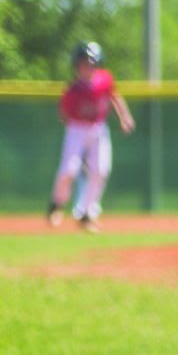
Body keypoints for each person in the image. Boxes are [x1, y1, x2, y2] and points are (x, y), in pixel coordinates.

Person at [47, 41, 135, 233]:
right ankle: (57, 204)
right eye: (83, 63)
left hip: (98, 128)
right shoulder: (72, 89)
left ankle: (86, 214)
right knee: (69, 169)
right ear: (76, 66)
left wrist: (124, 116)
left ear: (98, 64)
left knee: (101, 170)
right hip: (77, 128)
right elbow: (64, 114)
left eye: (91, 63)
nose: (87, 67)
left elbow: (114, 97)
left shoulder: (104, 80)